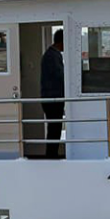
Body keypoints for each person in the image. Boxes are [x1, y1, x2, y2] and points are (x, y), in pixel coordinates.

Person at [40, 29, 65, 159]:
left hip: (50, 97)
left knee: (54, 128)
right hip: (53, 98)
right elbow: (59, 75)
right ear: (61, 41)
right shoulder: (52, 56)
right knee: (54, 129)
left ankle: (52, 155)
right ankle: (51, 156)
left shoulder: (51, 54)